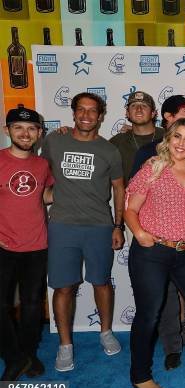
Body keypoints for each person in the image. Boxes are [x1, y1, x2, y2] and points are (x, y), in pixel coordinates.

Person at [125, 119, 185, 388]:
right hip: (152, 251)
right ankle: (140, 375)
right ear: (168, 138)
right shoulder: (153, 166)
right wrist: (140, 233)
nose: (181, 143)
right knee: (148, 314)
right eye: (176, 136)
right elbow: (130, 209)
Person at [41, 92, 124, 372]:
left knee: (101, 281)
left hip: (100, 226)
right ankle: (65, 345)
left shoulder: (109, 150)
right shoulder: (54, 140)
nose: (86, 115)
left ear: (101, 116)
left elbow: (119, 189)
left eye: (92, 111)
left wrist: (118, 225)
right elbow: (40, 175)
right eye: (81, 110)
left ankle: (106, 331)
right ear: (73, 113)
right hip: (62, 225)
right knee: (64, 286)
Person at [0, 106, 53, 380]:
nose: (25, 133)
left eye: (31, 128)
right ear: (7, 130)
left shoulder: (42, 165)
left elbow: (44, 195)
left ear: (39, 133)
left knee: (33, 305)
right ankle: (13, 357)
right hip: (3, 247)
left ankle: (29, 353)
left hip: (36, 246)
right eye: (18, 128)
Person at [109, 91, 165, 184]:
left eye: (144, 106)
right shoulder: (117, 141)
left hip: (164, 197)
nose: (139, 109)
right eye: (134, 106)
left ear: (153, 113)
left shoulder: (169, 137)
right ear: (127, 113)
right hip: (130, 197)